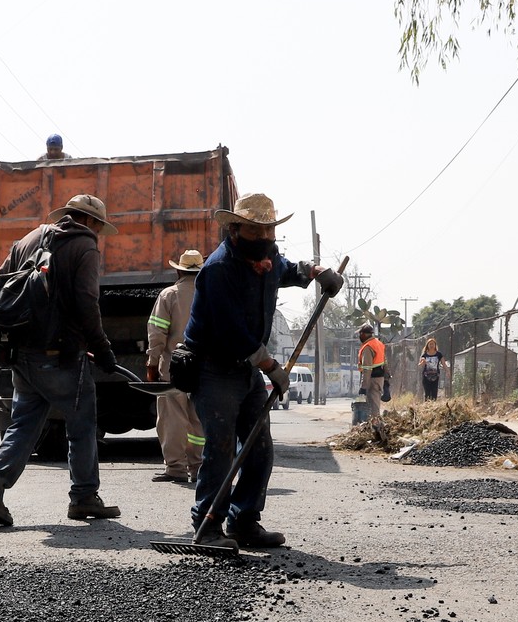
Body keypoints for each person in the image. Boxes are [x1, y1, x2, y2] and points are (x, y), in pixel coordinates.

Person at [178, 194, 323, 549]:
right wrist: (272, 367)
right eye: (255, 230)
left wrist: (316, 272)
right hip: (214, 367)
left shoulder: (267, 255)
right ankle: (208, 524)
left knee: (259, 447)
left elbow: (288, 269)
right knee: (221, 446)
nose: (263, 236)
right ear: (235, 228)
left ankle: (244, 520)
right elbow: (231, 335)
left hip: (246, 369)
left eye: (268, 230)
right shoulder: (219, 268)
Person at [0, 194, 123, 526]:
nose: (98, 233)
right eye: (98, 226)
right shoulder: (84, 245)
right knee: (82, 422)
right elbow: (87, 302)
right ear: (90, 221)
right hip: (61, 354)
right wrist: (103, 348)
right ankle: (84, 496)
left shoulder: (29, 238)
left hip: (22, 353)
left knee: (24, 423)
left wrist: (3, 347)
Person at [145, 249, 205, 484]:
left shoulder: (169, 295)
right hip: (203, 366)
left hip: (174, 367)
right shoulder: (210, 294)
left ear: (179, 270)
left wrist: (152, 363)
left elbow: (157, 333)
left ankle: (176, 468)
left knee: (172, 418)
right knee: (198, 418)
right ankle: (198, 467)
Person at [357, 323, 388, 421]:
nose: (359, 336)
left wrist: (363, 387)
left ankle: (376, 429)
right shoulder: (378, 344)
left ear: (364, 334)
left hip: (372, 380)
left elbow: (367, 369)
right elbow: (385, 362)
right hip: (379, 378)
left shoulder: (368, 347)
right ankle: (374, 426)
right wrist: (386, 380)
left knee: (373, 408)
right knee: (375, 404)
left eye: (360, 334)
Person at [420, 336, 444, 400]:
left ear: (435, 345)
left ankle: (433, 406)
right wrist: (423, 362)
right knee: (427, 394)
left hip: (435, 377)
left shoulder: (439, 354)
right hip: (426, 376)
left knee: (434, 393)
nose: (431, 345)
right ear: (427, 345)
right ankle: (427, 407)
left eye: (433, 344)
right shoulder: (424, 355)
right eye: (430, 344)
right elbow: (420, 364)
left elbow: (444, 364)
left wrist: (447, 371)